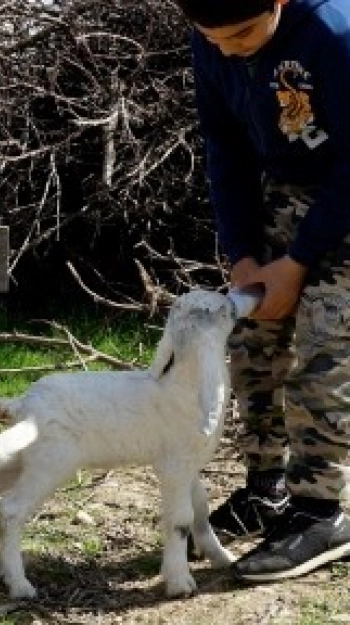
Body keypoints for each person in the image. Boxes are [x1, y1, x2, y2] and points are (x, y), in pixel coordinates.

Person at [177, 0, 350, 582]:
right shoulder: (215, 41)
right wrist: (244, 252)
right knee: (251, 334)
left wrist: (299, 262)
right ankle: (267, 489)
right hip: (285, 189)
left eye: (244, 33)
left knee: (324, 347)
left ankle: (321, 510)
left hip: (345, 196)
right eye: (214, 37)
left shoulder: (333, 31)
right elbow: (225, 149)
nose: (230, 49)